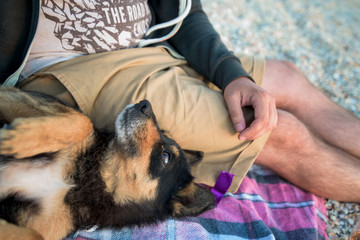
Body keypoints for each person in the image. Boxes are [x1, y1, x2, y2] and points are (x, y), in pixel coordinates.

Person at [1, 0, 359, 202]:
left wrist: (232, 74)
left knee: (288, 78)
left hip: (153, 46)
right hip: (78, 72)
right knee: (280, 133)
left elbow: (186, 13)